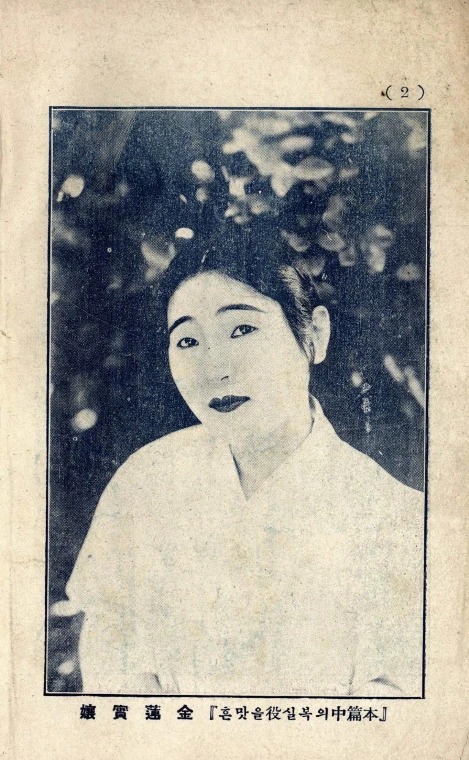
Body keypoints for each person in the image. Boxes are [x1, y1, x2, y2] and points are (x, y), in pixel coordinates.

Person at [66, 224, 424, 696]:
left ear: (314, 334)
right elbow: (113, 651)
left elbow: (395, 702)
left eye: (242, 329)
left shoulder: (399, 520)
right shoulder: (147, 480)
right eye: (188, 341)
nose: (215, 368)